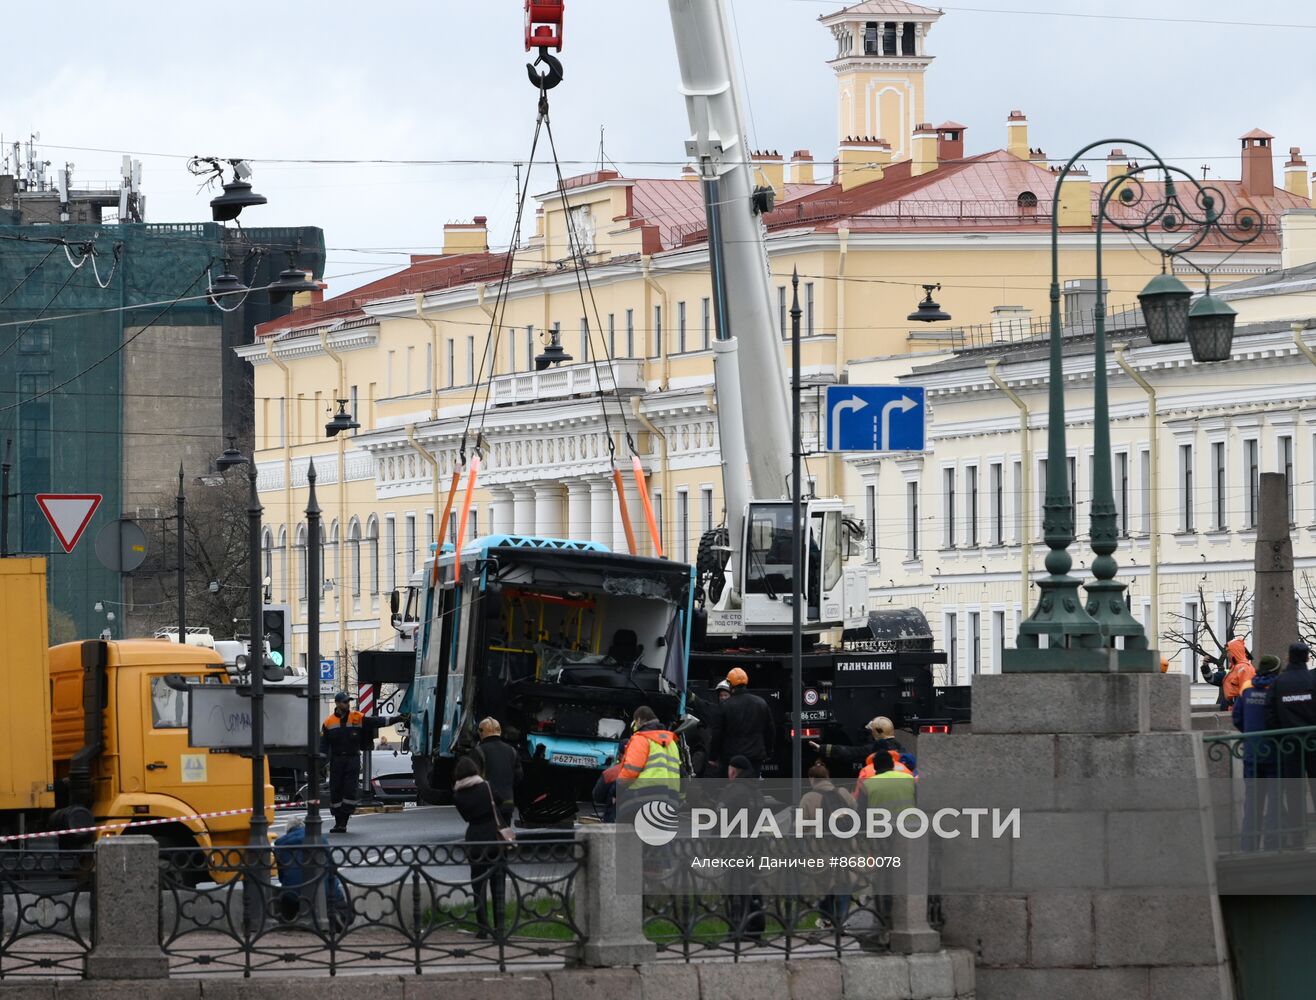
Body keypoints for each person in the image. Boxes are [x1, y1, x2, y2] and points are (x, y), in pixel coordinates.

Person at [321, 692, 407, 834]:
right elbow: (323, 744)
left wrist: (397, 719)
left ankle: (343, 821)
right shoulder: (328, 722)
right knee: (336, 791)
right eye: (344, 702)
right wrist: (321, 762)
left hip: (352, 759)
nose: (347, 704)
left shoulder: (357, 717)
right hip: (336, 761)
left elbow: (377, 721)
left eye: (348, 702)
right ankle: (338, 821)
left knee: (349, 790)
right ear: (337, 704)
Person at [1264, 642, 1316, 848]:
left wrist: (1279, 738)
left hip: (1289, 746)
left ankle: (1297, 839)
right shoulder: (1312, 679)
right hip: (1313, 744)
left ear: (1288, 657)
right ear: (1307, 658)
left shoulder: (1279, 682)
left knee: (1293, 793)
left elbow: (1269, 715)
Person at [452, 756, 508, 939]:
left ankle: (483, 928)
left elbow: (466, 817)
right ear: (475, 770)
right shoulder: (487, 786)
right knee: (498, 884)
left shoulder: (458, 795)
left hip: (475, 838)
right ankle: (500, 928)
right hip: (495, 837)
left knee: (478, 885)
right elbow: (499, 802)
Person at [1232, 654, 1282, 850]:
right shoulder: (1277, 688)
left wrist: (1250, 734)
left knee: (1252, 802)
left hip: (1252, 753)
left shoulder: (1247, 687)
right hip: (1275, 753)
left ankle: (1248, 846)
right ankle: (1272, 845)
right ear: (1276, 670)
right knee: (1275, 801)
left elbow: (1237, 717)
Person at [797, 763, 857, 927]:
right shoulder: (843, 793)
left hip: (820, 849)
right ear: (828, 777)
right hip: (844, 845)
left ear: (812, 779)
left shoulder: (808, 798)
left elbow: (800, 827)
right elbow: (855, 811)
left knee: (823, 884)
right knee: (843, 881)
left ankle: (826, 919)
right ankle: (842, 918)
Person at [273, 815, 351, 931]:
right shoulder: (321, 839)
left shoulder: (280, 844)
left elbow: (282, 876)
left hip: (294, 893)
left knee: (285, 896)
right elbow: (332, 868)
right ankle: (336, 917)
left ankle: (290, 921)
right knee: (344, 907)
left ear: (288, 831)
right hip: (325, 892)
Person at [719, 755, 765, 939]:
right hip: (755, 846)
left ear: (733, 770)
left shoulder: (732, 791)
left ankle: (736, 929)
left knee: (734, 888)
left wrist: (715, 845)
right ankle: (756, 926)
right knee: (752, 886)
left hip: (734, 847)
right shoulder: (756, 791)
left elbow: (720, 819)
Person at [617, 706, 682, 819]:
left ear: (638, 720)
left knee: (623, 825)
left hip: (642, 796)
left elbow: (630, 771)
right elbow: (682, 773)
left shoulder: (641, 739)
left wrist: (618, 788)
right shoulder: (671, 742)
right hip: (670, 799)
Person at [710, 667, 774, 777]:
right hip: (755, 755)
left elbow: (717, 733)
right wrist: (768, 752)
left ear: (730, 685)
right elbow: (770, 730)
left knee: (732, 789)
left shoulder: (724, 706)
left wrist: (713, 757)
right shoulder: (761, 703)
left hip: (731, 756)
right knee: (752, 788)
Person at [470, 717, 523, 826]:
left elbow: (472, 778)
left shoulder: (478, 751)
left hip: (486, 804)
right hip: (507, 803)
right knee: (504, 836)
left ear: (481, 732)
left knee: (488, 837)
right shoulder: (512, 751)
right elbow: (519, 777)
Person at [857, 747, 917, 815]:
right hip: (909, 823)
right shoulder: (909, 778)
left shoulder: (867, 785)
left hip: (881, 824)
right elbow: (919, 801)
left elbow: (861, 812)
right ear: (892, 764)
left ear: (875, 766)